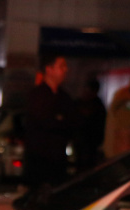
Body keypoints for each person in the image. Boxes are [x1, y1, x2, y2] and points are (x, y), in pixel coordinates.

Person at [22, 50, 77, 197]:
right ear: (49, 69)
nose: (65, 70)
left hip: (58, 164)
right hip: (38, 165)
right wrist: (59, 122)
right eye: (61, 66)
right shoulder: (36, 96)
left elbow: (72, 123)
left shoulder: (65, 97)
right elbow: (45, 123)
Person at [74, 77, 107, 171]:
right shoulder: (78, 103)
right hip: (79, 142)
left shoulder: (98, 105)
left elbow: (101, 125)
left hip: (91, 143)